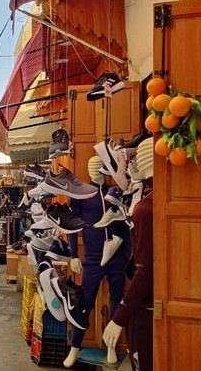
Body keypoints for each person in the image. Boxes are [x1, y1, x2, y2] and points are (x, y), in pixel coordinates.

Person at [64, 155, 130, 368]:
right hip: (92, 258)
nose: (94, 171)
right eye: (91, 167)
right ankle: (75, 346)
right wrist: (74, 254)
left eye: (98, 167)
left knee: (117, 299)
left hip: (117, 256)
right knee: (84, 303)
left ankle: (111, 346)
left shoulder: (115, 191)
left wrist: (129, 252)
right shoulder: (82, 194)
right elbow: (71, 225)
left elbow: (125, 223)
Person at [103, 138, 155, 371]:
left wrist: (119, 316)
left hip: (145, 306)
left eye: (134, 159)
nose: (131, 164)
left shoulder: (146, 209)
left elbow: (144, 270)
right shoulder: (156, 201)